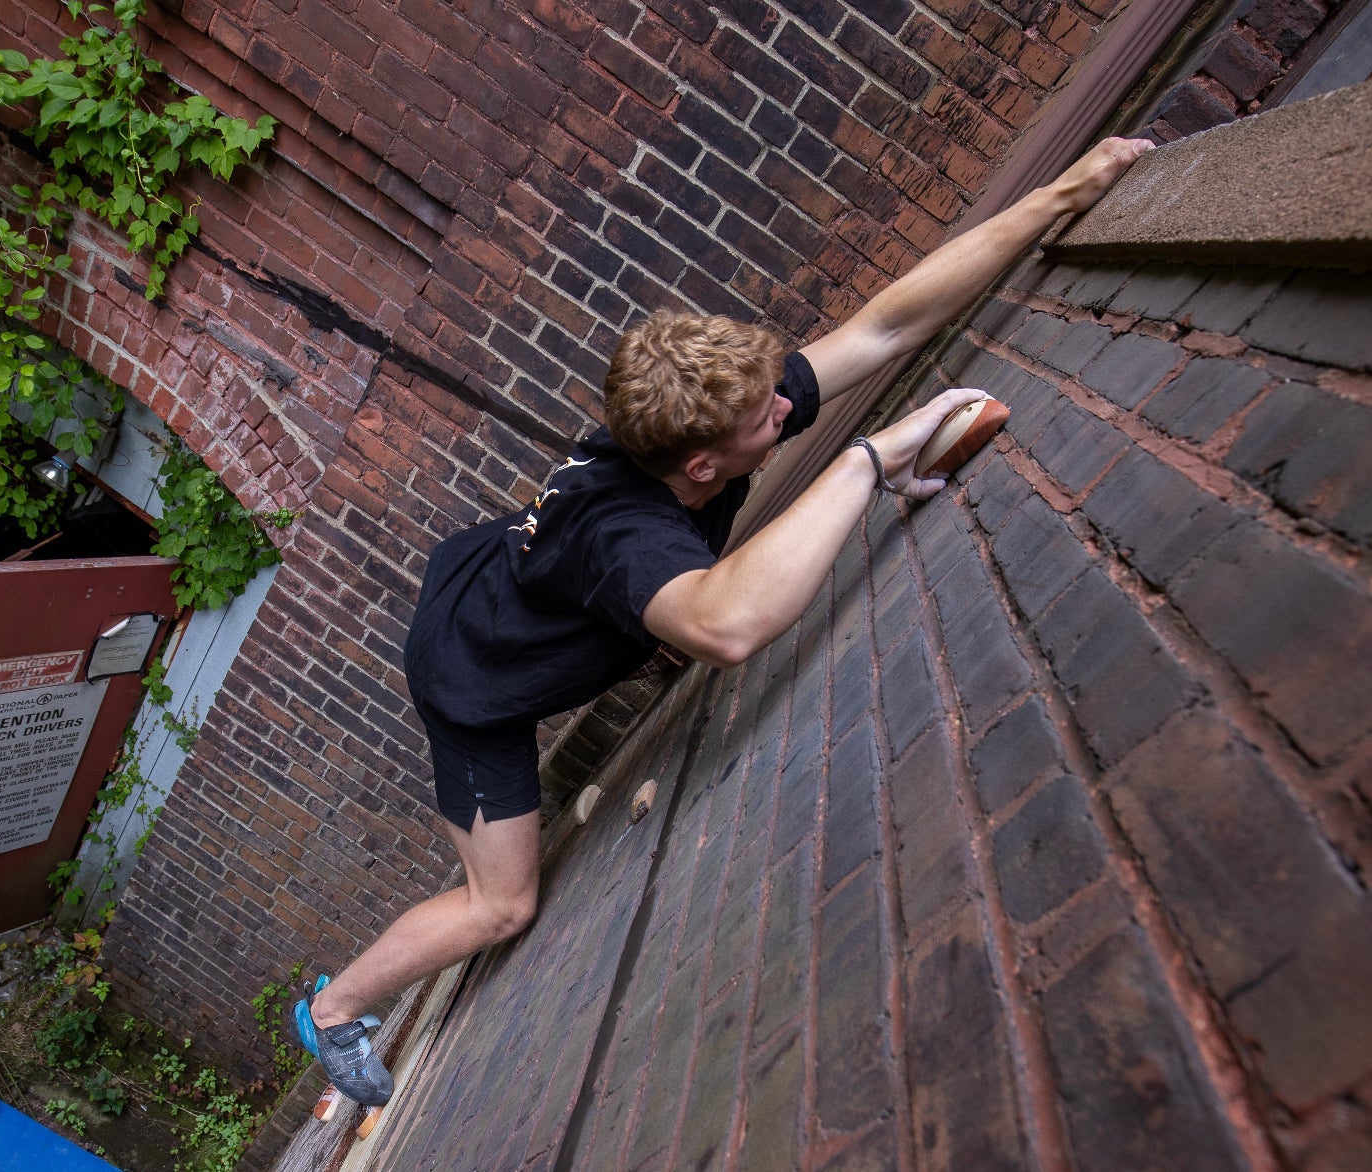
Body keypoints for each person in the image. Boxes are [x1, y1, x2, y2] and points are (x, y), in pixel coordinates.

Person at [294, 136, 1155, 1105]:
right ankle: (331, 1010)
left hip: (509, 581)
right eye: (766, 416)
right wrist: (866, 462)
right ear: (700, 465)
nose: (786, 405)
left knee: (660, 605)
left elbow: (881, 328)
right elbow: (731, 625)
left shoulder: (681, 421)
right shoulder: (628, 536)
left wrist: (1066, 192)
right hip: (470, 675)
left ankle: (620, 632)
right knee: (502, 905)